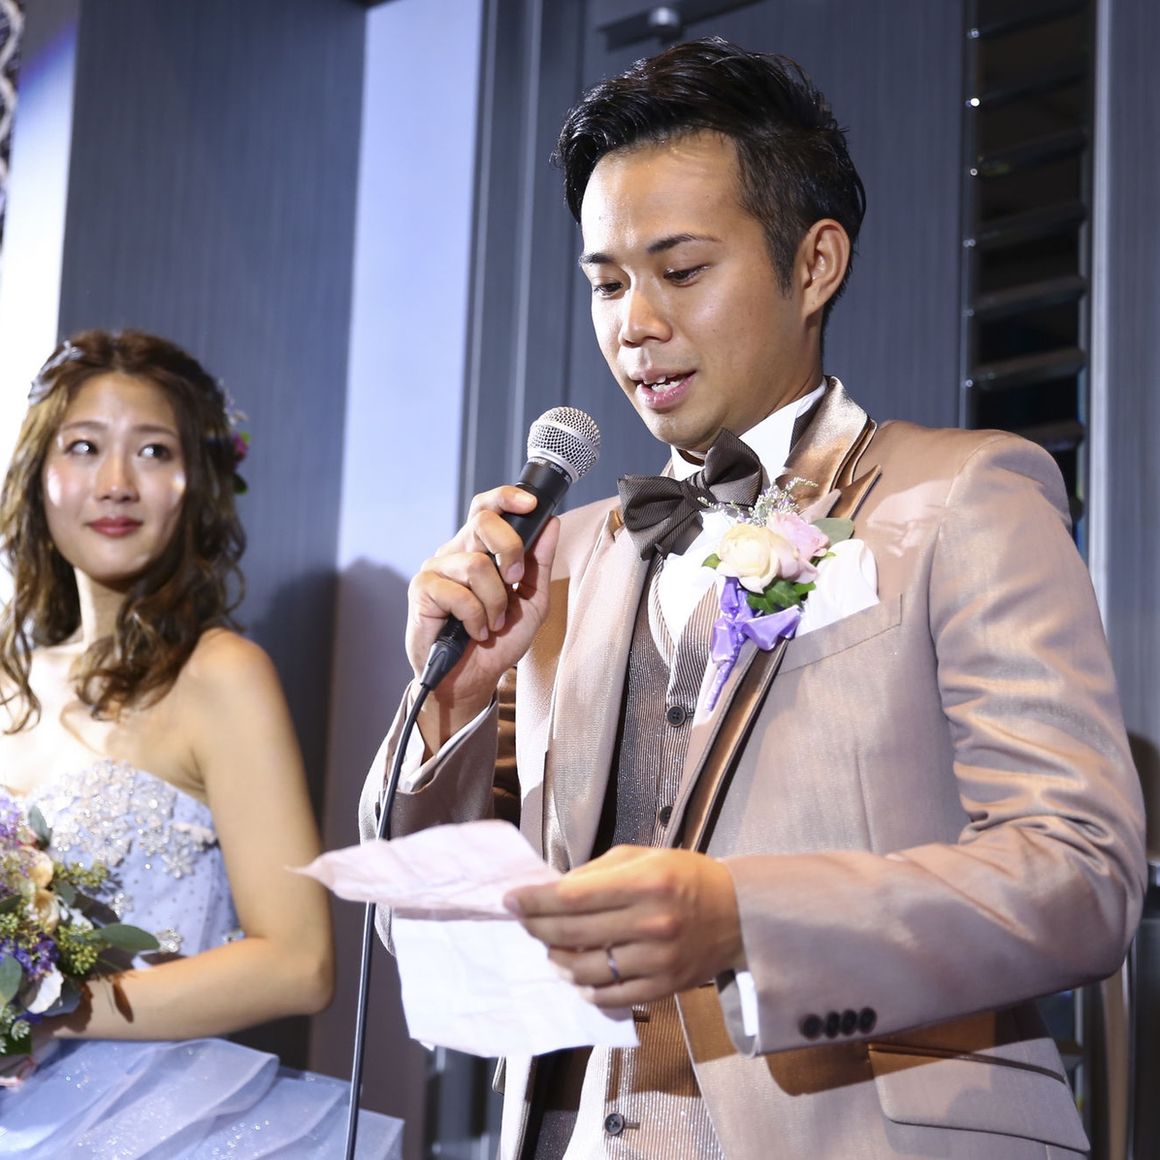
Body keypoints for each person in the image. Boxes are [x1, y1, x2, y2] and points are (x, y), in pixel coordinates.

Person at [361, 38, 1145, 1159]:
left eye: (680, 272)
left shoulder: (966, 496)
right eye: (606, 283)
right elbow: (428, 926)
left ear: (814, 263)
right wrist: (447, 701)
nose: (634, 325)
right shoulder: (562, 559)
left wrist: (742, 917)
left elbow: (1080, 874)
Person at [0, 330, 403, 1157]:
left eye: (153, 450)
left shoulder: (220, 675)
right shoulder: (10, 681)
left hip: (158, 1119)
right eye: (84, 446)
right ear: (39, 473)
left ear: (197, 486)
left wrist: (43, 1009)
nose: (116, 482)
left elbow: (300, 963)